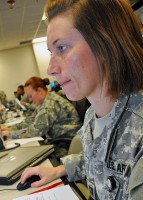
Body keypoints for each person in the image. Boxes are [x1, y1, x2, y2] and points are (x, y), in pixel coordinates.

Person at [18, 0, 143, 199]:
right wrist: (59, 169)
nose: (50, 69)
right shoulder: (93, 115)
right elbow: (99, 160)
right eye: (51, 52)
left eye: (62, 48)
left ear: (105, 44)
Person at [2, 76, 81, 156]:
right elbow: (30, 120)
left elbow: (35, 131)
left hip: (65, 144)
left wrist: (10, 134)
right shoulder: (44, 102)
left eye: (30, 96)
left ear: (39, 91)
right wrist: (10, 128)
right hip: (58, 140)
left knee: (31, 157)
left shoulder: (49, 104)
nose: (30, 100)